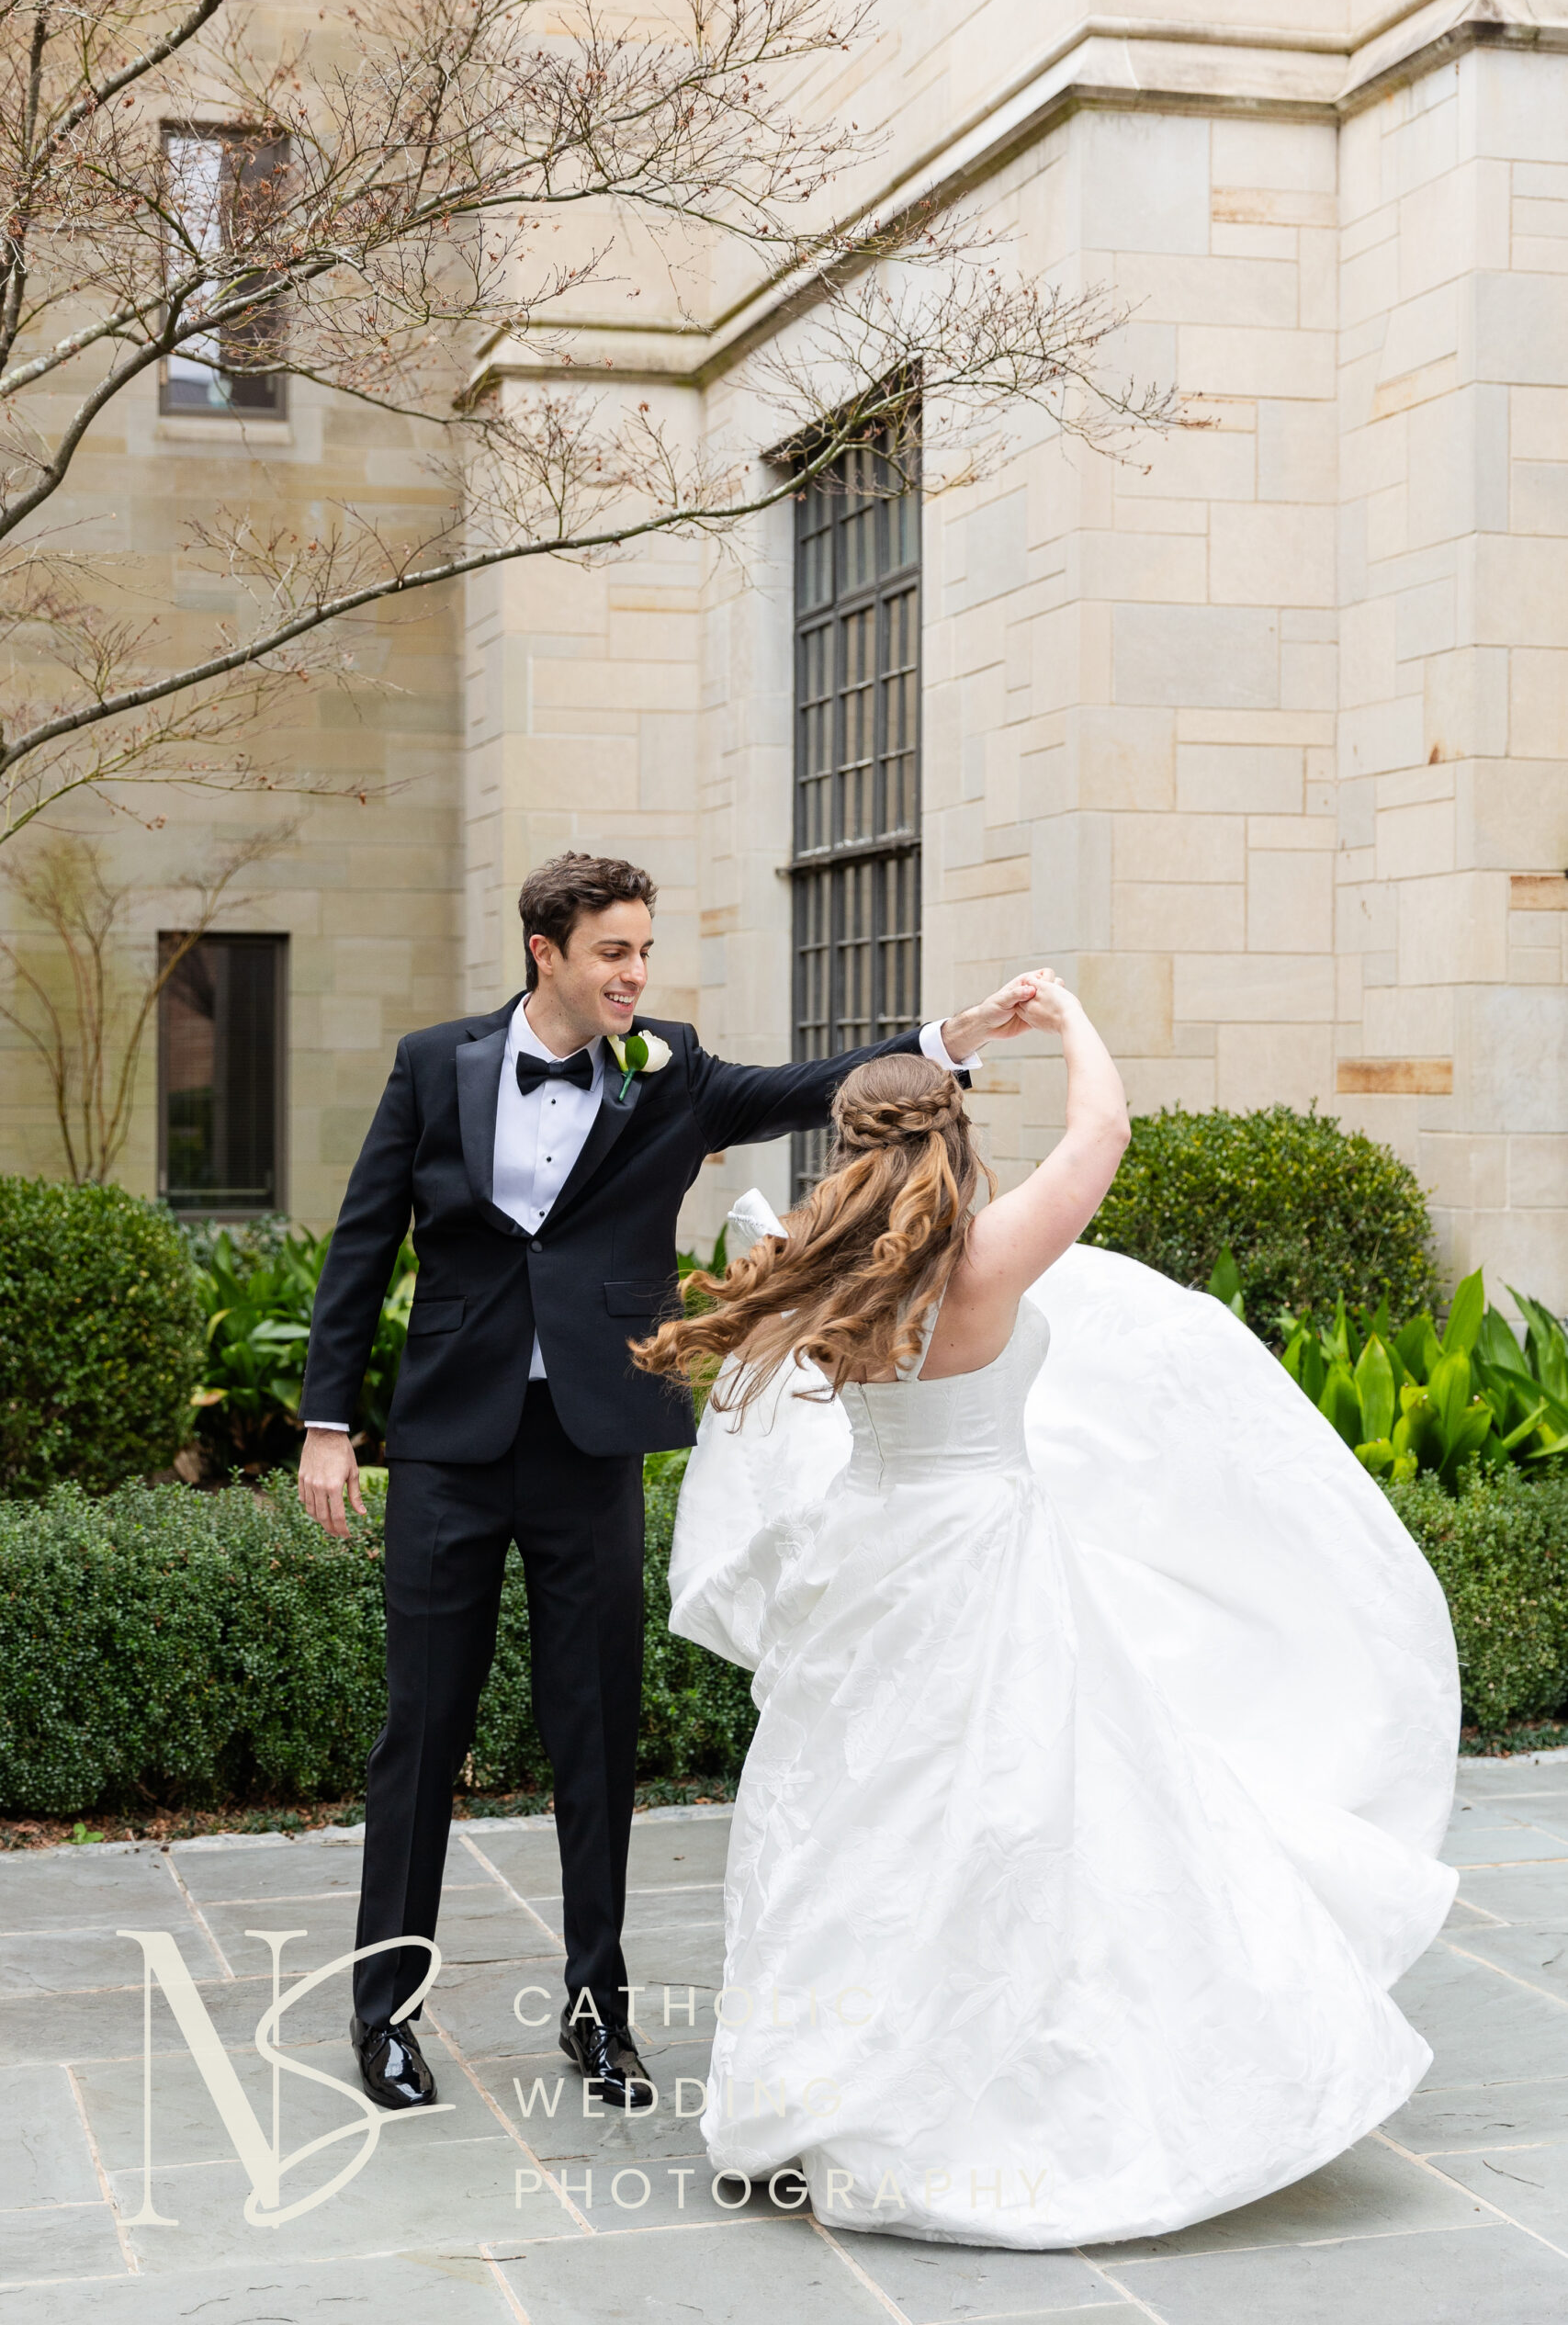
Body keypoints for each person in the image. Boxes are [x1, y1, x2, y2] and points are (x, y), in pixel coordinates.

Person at [637, 971, 1462, 2248]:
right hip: (983, 1555)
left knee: (861, 1807)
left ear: (848, 1144)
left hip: (867, 1557)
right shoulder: (986, 1258)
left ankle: (842, 2079)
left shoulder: (820, 1264)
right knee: (1025, 1802)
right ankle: (1008, 2070)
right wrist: (1068, 1018)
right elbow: (1103, 1131)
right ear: (952, 1134)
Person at [295, 847, 1043, 2114]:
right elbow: (364, 1240)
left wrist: (947, 1040)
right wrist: (328, 1423)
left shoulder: (671, 1070)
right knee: (421, 1732)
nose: (636, 973)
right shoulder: (434, 1065)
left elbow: (804, 1088)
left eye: (645, 950)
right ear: (547, 953)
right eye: (614, 952)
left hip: (592, 1445)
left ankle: (599, 2016)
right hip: (450, 1444)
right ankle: (385, 2016)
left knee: (594, 1736)